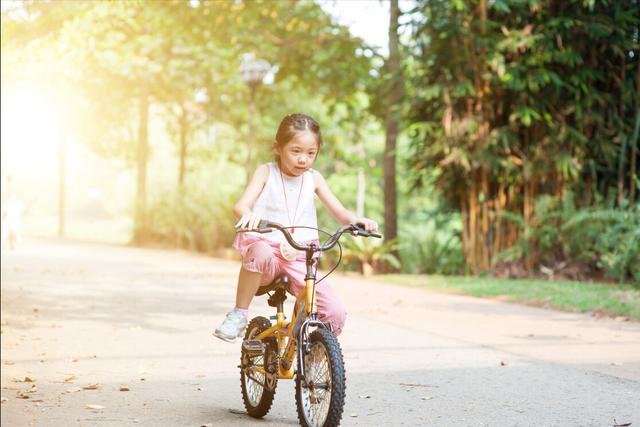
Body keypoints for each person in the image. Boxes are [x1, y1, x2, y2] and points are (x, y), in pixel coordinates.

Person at [213, 113, 378, 342]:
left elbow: (340, 213)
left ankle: (317, 357)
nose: (303, 159)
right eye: (296, 151)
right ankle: (239, 314)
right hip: (268, 254)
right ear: (278, 148)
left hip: (301, 256)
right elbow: (241, 205)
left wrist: (356, 221)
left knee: (335, 312)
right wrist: (248, 215)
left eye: (311, 153)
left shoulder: (315, 179)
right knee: (259, 250)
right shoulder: (266, 172)